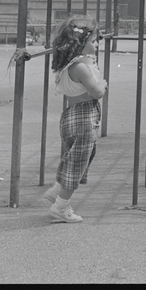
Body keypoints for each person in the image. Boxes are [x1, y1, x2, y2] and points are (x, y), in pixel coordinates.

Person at [44, 15, 108, 223]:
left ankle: (57, 190)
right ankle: (61, 206)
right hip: (84, 118)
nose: (97, 45)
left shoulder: (73, 65)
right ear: (81, 43)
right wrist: (104, 84)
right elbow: (97, 92)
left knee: (77, 158)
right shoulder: (80, 68)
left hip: (72, 116)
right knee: (77, 163)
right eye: (93, 41)